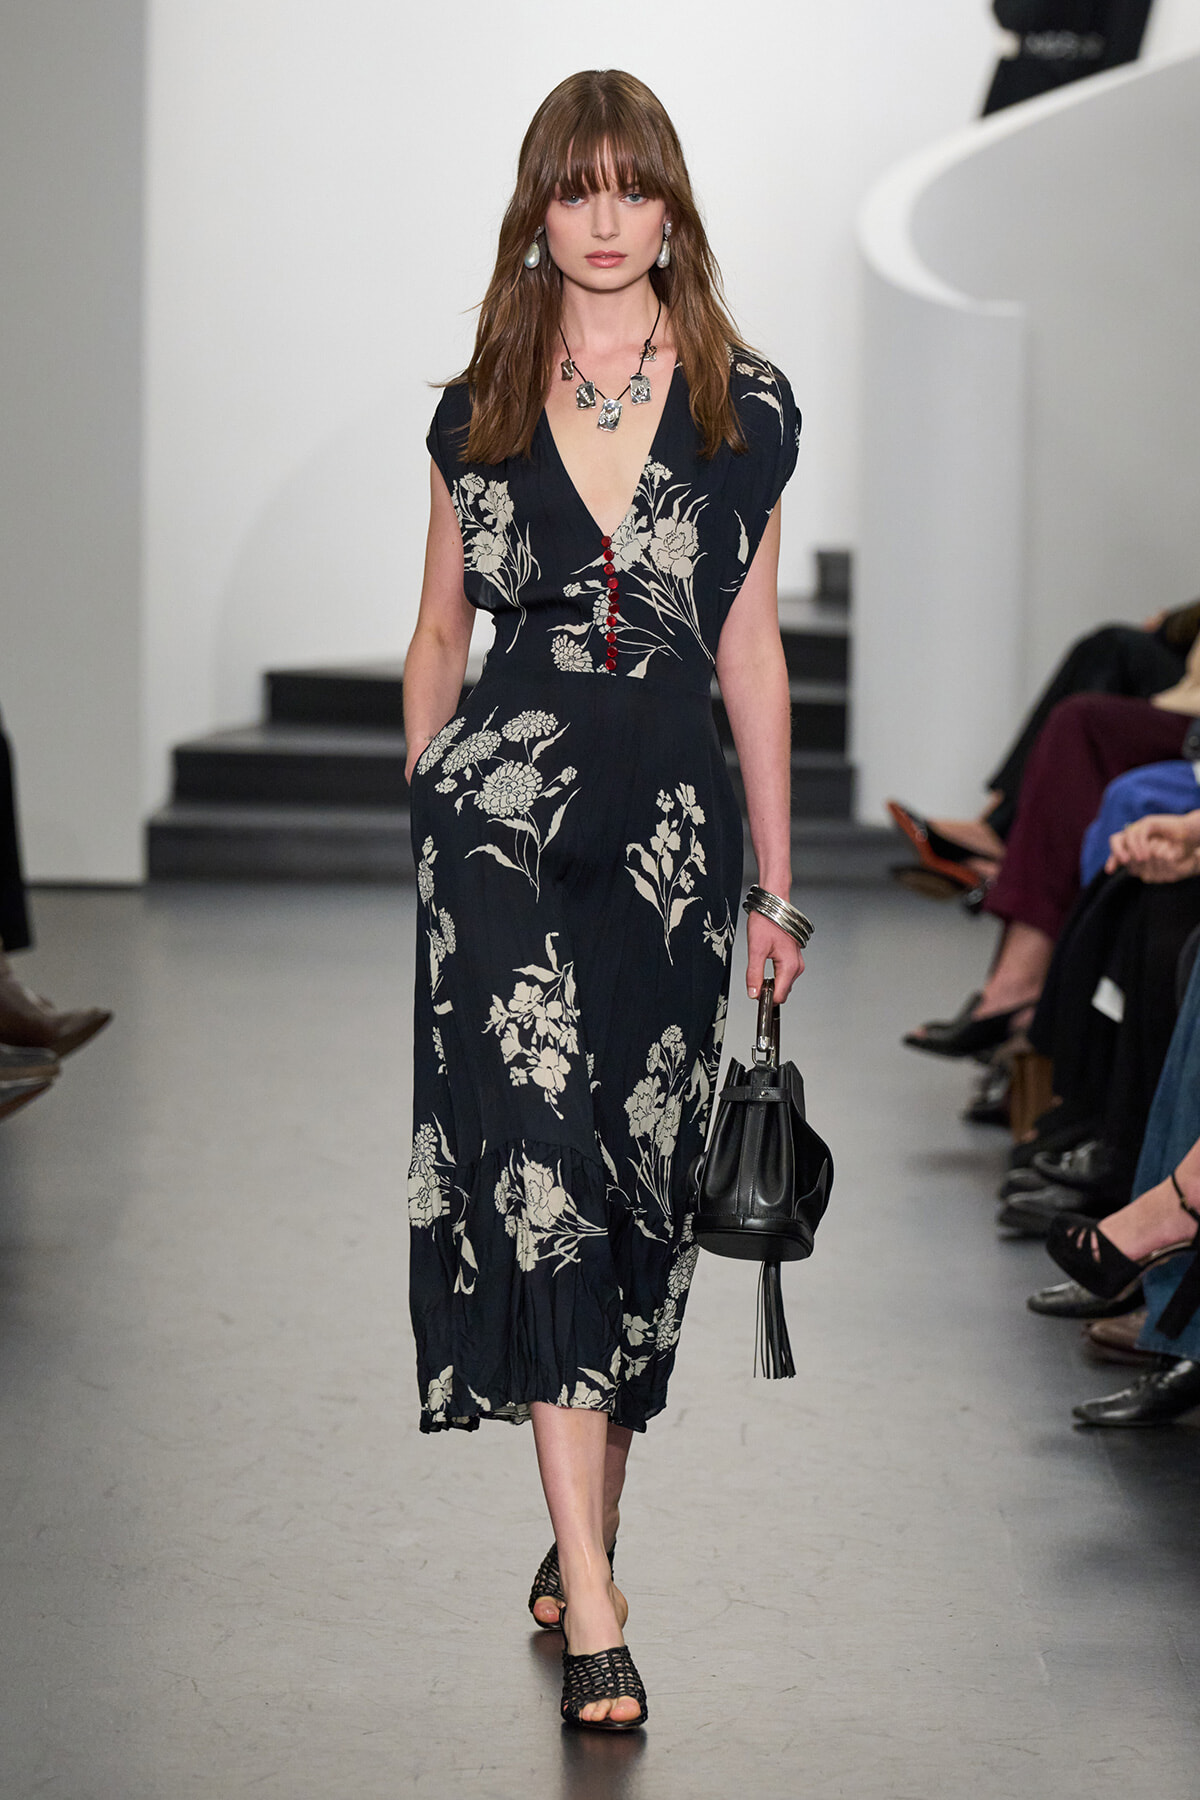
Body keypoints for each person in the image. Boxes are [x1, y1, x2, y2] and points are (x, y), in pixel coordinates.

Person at [401, 70, 803, 1731]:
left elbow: (751, 647)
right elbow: (438, 629)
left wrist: (781, 888)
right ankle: (603, 1615)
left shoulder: (745, 399)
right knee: (547, 1172)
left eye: (635, 186)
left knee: (635, 1198)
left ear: (671, 209)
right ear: (539, 212)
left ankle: (584, 1539)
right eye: (579, 188)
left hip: (670, 852)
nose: (609, 215)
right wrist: (430, 790)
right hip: (503, 839)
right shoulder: (478, 403)